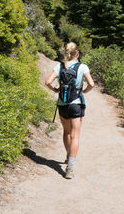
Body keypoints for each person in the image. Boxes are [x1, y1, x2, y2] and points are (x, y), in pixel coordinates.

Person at [45, 42, 94, 179]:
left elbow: (48, 81)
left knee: (66, 132)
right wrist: (84, 91)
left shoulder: (59, 66)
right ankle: (70, 168)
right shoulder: (83, 67)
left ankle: (67, 154)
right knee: (75, 136)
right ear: (77, 53)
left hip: (62, 104)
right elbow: (91, 84)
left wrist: (56, 90)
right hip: (76, 104)